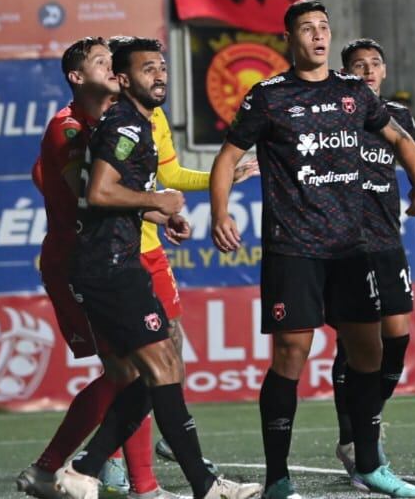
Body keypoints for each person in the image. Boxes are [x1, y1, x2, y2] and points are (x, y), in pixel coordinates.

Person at [208, 0, 415, 499]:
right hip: (295, 247)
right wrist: (220, 212)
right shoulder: (268, 97)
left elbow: (400, 139)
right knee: (292, 353)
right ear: (288, 38)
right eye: (307, 28)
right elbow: (227, 158)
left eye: (324, 28)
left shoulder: (353, 92)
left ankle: (370, 463)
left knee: (368, 348)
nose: (318, 35)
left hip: (352, 248)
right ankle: (278, 478)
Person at [54, 37, 260, 499]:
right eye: (148, 69)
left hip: (119, 261)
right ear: (124, 80)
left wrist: (160, 212)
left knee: (160, 368)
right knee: (159, 368)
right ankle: (192, 483)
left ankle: (86, 468)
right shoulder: (124, 126)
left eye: (162, 68)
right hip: (108, 267)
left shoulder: (137, 124)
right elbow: (100, 193)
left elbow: (116, 191)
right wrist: (156, 200)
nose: (160, 76)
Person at [19, 37, 139, 499]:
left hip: (106, 257)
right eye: (101, 62)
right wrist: (155, 205)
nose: (113, 67)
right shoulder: (68, 127)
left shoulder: (113, 120)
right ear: (76, 77)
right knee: (129, 368)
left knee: (136, 365)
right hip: (77, 262)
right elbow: (92, 196)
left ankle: (118, 472)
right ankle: (56, 469)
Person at [332, 38, 415, 490]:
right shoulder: (334, 111)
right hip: (342, 243)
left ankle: (364, 427)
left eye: (375, 64)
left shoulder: (399, 116)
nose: (369, 71)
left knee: (396, 338)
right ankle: (358, 443)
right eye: (359, 66)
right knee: (356, 341)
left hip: (386, 238)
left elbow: (414, 162)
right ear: (347, 74)